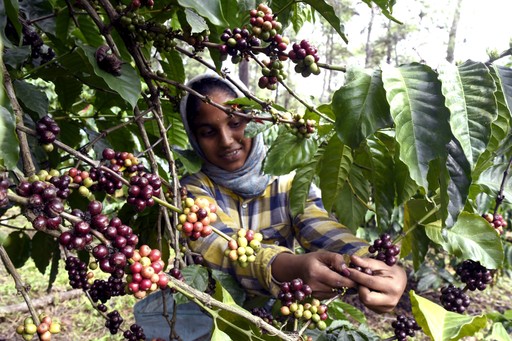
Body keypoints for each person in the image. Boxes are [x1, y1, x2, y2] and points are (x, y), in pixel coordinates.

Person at [134, 73, 407, 340]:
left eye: (236, 123)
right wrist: (293, 267)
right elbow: (220, 247)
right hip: (208, 318)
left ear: (254, 120)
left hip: (275, 321)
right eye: (208, 132)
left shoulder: (286, 181)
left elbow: (320, 225)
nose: (227, 140)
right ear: (195, 139)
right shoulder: (191, 190)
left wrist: (372, 263)